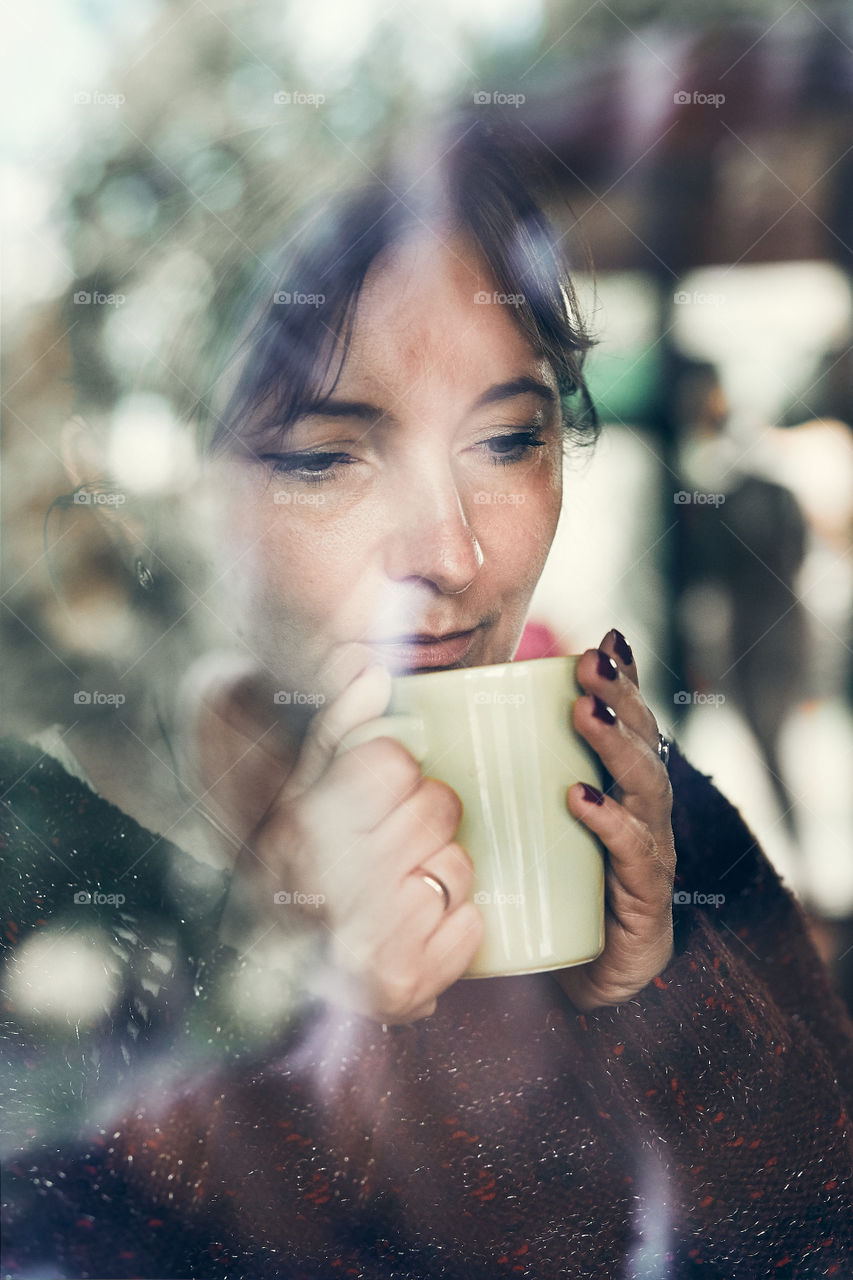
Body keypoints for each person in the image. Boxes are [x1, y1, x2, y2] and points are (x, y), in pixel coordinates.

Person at [2, 116, 852, 1280]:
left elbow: (819, 1225)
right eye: (323, 456)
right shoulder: (54, 855)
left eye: (510, 438)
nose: (453, 551)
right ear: (165, 500)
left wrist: (649, 992)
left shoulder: (642, 818)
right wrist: (312, 1029)